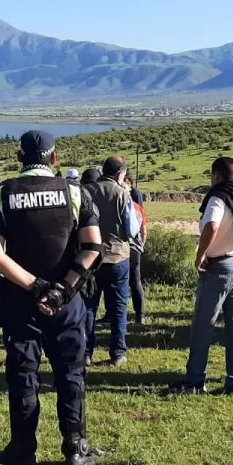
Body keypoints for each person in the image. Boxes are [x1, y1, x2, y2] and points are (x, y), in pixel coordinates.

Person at [0, 130, 103, 465]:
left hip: (20, 301)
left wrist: (36, 287)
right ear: (53, 158)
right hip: (68, 302)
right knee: (71, 373)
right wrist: (61, 289)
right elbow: (94, 248)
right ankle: (75, 450)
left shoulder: (1, 195)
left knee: (22, 375)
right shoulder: (75, 192)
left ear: (21, 158)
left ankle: (22, 451)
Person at [167, 157, 233, 396]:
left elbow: (211, 226)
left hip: (219, 267)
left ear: (217, 176)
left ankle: (195, 381)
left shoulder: (218, 197)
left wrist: (202, 254)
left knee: (203, 325)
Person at [82, 156, 140, 366]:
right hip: (117, 257)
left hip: (91, 258)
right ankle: (117, 353)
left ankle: (86, 352)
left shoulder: (86, 192)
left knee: (89, 307)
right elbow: (131, 229)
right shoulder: (122, 194)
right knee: (117, 307)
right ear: (120, 174)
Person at [125, 177, 149, 325]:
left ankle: (116, 315)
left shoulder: (118, 204)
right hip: (135, 249)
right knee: (136, 282)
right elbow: (144, 231)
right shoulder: (139, 208)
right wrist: (141, 245)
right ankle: (140, 315)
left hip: (121, 248)